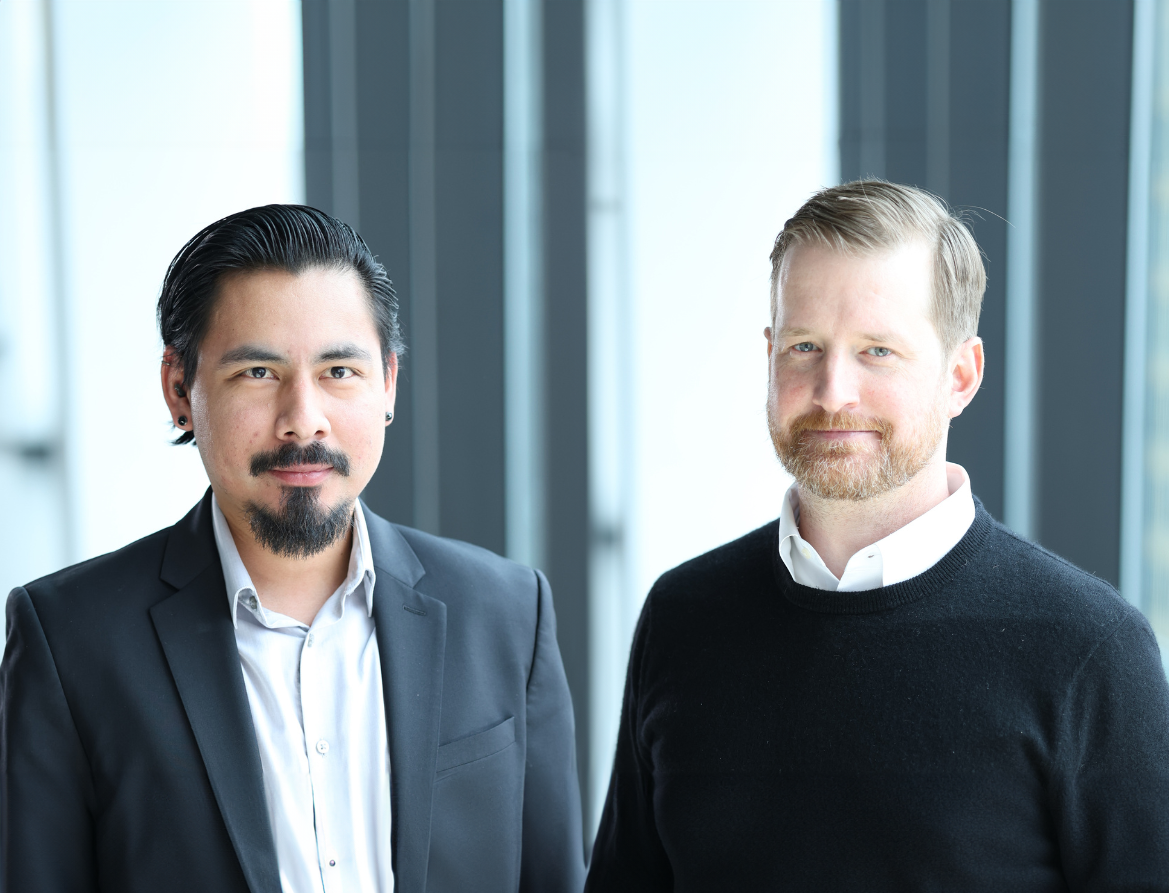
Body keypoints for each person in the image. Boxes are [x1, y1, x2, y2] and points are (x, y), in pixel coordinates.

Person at [585, 181, 1169, 890]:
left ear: (960, 375)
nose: (832, 391)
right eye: (804, 346)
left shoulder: (1086, 649)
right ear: (769, 355)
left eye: (876, 352)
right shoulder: (683, 617)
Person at [1, 205, 585, 893]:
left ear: (388, 383)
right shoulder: (70, 641)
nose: (302, 417)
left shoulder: (508, 614)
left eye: (339, 370)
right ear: (178, 388)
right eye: (257, 372)